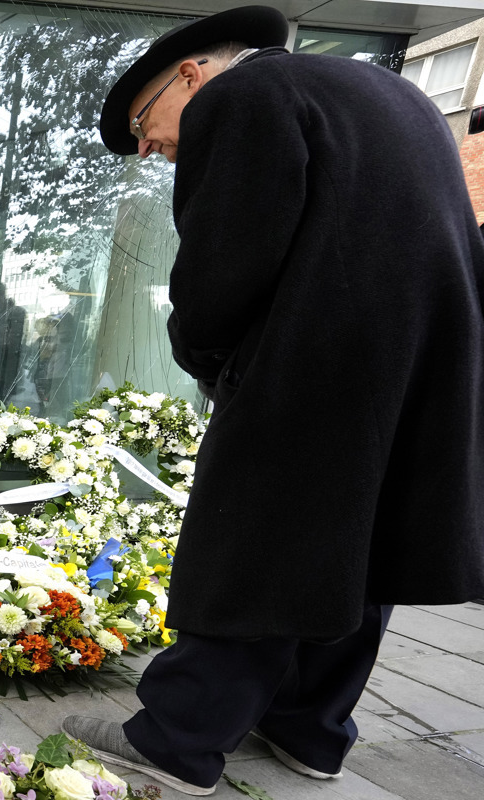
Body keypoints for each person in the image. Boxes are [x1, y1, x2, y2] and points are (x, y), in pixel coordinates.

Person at [62, 6, 484, 796]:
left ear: (190, 75)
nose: (150, 148)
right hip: (432, 356)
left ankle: (176, 739)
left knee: (260, 538)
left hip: (321, 355)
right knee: (364, 548)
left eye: (143, 125)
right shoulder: (389, 93)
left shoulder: (244, 97)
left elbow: (227, 261)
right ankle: (309, 729)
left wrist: (207, 357)